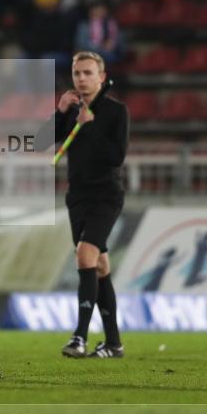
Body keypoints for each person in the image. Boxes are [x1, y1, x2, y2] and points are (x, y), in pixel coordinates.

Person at [53, 51, 129, 359]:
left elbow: (116, 156)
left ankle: (79, 337)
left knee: (85, 256)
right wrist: (60, 112)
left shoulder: (115, 111)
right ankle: (113, 343)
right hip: (78, 196)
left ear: (101, 76)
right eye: (76, 73)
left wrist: (92, 125)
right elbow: (50, 139)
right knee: (99, 265)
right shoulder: (72, 109)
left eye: (87, 73)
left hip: (106, 195)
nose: (81, 79)